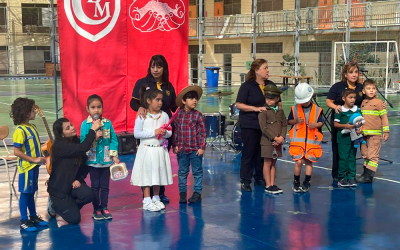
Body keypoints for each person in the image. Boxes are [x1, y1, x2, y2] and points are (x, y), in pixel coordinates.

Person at [130, 54, 176, 202]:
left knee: (160, 161)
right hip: (148, 127)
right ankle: (147, 196)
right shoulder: (142, 83)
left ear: (164, 68)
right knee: (147, 163)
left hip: (164, 127)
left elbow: (174, 106)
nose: (155, 69)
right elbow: (133, 103)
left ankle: (159, 194)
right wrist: (141, 108)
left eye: (159, 66)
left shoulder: (168, 86)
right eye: (153, 66)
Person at [48, 118, 102, 224]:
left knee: (89, 195)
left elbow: (84, 165)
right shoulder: (59, 145)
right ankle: (54, 205)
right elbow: (84, 147)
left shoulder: (75, 142)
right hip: (59, 189)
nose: (72, 128)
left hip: (71, 184)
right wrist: (93, 129)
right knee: (75, 219)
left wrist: (78, 179)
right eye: (68, 128)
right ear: (62, 134)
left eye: (71, 125)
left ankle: (67, 206)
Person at [235, 58, 277, 192]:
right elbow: (239, 104)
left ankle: (259, 177)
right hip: (250, 124)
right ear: (256, 71)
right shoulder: (247, 86)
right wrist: (256, 108)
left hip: (266, 126)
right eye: (265, 67)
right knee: (249, 152)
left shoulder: (270, 84)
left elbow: (278, 101)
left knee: (263, 152)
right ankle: (245, 180)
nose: (267, 70)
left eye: (267, 67)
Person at [130, 86, 173, 212]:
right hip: (147, 150)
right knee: (147, 175)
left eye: (161, 100)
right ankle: (147, 200)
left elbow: (169, 132)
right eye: (157, 100)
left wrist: (166, 133)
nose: (160, 102)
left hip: (159, 150)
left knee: (157, 174)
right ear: (148, 101)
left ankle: (156, 198)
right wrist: (155, 132)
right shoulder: (142, 116)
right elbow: (137, 134)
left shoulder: (164, 115)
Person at [10, 97, 48, 232]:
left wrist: (42, 155)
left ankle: (33, 216)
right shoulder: (20, 131)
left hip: (34, 167)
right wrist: (33, 159)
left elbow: (35, 147)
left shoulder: (32, 127)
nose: (35, 112)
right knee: (25, 193)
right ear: (26, 113)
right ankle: (24, 220)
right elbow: (16, 151)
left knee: (32, 192)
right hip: (26, 168)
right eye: (32, 110)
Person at [80, 94, 120, 220]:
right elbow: (82, 141)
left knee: (105, 187)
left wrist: (114, 155)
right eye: (93, 107)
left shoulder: (107, 123)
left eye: (99, 107)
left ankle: (105, 207)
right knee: (95, 186)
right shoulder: (85, 124)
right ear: (88, 109)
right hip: (92, 161)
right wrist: (94, 136)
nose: (96, 110)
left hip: (106, 160)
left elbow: (113, 140)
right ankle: (96, 209)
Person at [326, 62, 363, 181]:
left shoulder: (361, 88)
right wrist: (335, 107)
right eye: (351, 72)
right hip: (340, 121)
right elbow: (328, 101)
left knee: (353, 148)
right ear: (345, 74)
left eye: (356, 72)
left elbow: (369, 99)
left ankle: (350, 174)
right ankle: (338, 174)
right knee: (338, 148)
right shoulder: (337, 86)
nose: (354, 75)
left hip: (355, 123)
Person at [288, 83, 324, 193]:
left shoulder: (317, 110)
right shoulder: (294, 109)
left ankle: (307, 182)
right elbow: (289, 121)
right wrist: (296, 121)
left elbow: (321, 122)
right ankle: (296, 181)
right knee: (298, 162)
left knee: (309, 162)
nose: (303, 103)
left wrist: (316, 125)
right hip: (298, 143)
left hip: (311, 142)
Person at [173, 86, 206, 203]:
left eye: (196, 98)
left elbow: (203, 132)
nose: (194, 101)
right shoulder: (178, 115)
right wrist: (175, 145)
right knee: (182, 172)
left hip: (195, 149)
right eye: (191, 98)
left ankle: (197, 193)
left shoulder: (198, 115)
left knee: (197, 171)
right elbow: (175, 131)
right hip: (182, 149)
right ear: (183, 101)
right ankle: (182, 193)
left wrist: (202, 147)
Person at [357, 79, 389, 183]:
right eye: (368, 88)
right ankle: (365, 173)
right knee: (364, 154)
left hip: (375, 135)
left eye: (373, 88)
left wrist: (386, 131)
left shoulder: (379, 103)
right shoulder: (363, 103)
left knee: (372, 155)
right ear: (363, 91)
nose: (371, 90)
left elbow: (384, 117)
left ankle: (368, 176)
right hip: (364, 134)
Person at [258, 84, 287, 194]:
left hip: (278, 142)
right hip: (267, 142)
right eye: (267, 98)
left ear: (277, 99)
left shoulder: (280, 111)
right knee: (267, 163)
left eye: (271, 99)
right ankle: (268, 184)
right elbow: (263, 128)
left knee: (274, 163)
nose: (268, 101)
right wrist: (274, 138)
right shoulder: (263, 112)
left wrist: (282, 137)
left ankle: (273, 183)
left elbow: (284, 124)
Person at [333, 89, 360, 187]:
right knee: (343, 158)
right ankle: (341, 178)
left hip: (354, 138)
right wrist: (346, 126)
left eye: (354, 98)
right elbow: (336, 124)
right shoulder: (340, 110)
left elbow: (360, 121)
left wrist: (360, 128)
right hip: (343, 139)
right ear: (344, 98)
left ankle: (351, 177)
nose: (353, 100)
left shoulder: (357, 109)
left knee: (352, 157)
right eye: (350, 97)